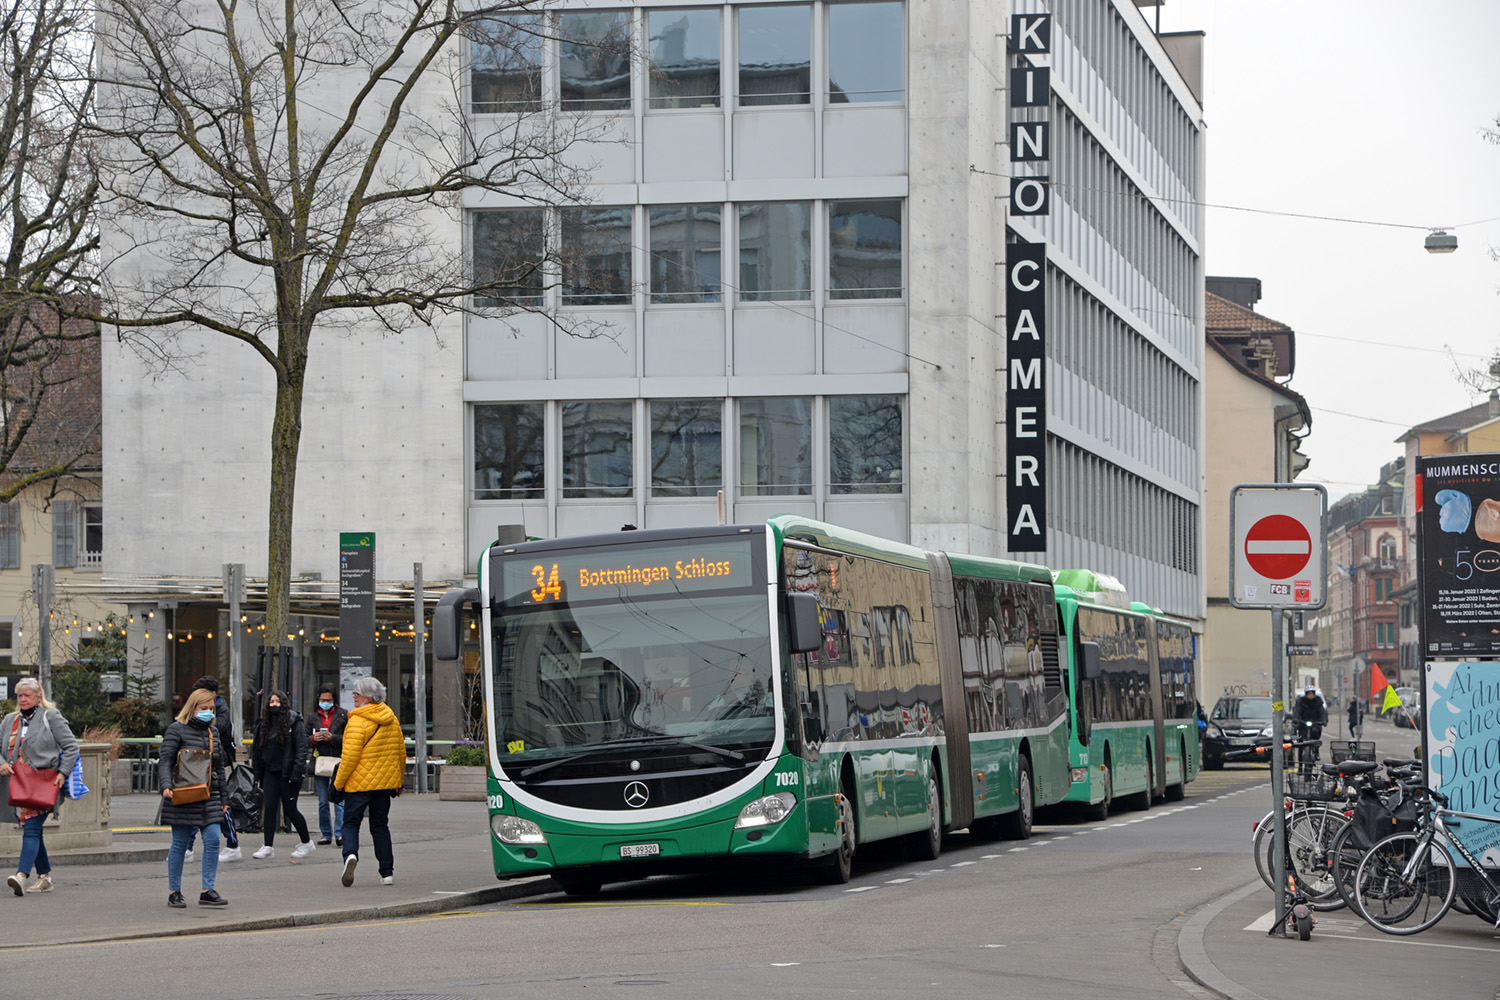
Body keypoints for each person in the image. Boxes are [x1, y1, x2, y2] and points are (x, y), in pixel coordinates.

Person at [0, 677, 79, 896]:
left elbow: (71, 747)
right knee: (32, 831)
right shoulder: (9, 720)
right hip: (18, 786)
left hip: (45, 784)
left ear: (38, 697)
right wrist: (2, 763)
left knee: (32, 828)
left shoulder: (50, 716)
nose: (23, 699)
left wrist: (63, 773)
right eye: (20, 696)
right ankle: (45, 877)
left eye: (27, 695)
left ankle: (21, 875)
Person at [158, 688, 230, 907]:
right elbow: (166, 760)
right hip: (183, 793)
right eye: (203, 708)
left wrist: (225, 799)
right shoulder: (176, 730)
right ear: (193, 708)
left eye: (211, 709)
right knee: (179, 842)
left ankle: (208, 889)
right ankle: (174, 891)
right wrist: (166, 785)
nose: (208, 712)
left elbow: (218, 767)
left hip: (209, 794)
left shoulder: (213, 732)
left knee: (213, 839)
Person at [333, 675, 405, 887]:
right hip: (384, 785)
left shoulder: (357, 721)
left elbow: (349, 758)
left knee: (350, 823)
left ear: (368, 697)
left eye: (357, 693)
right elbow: (400, 752)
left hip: (359, 784)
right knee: (380, 826)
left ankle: (350, 855)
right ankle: (387, 872)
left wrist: (339, 783)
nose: (353, 696)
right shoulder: (391, 718)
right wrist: (398, 781)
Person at [249, 690, 315, 860]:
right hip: (270, 772)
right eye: (271, 702)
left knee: (291, 810)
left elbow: (301, 748)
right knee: (270, 808)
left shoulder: (295, 722)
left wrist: (297, 771)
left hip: (289, 773)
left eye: (278, 701)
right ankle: (268, 846)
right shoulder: (263, 724)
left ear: (284, 703)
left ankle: (307, 843)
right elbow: (257, 750)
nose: (274, 705)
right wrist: (257, 773)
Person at [184, 676, 241, 862]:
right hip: (198, 766)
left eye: (209, 708)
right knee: (196, 803)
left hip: (215, 765)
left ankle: (232, 844)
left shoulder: (220, 713)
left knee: (220, 806)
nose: (208, 711)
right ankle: (188, 846)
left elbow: (220, 728)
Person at [309, 684, 348, 846]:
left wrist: (332, 737)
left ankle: (340, 833)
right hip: (320, 761)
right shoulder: (312, 717)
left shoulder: (343, 715)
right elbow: (303, 738)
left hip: (338, 761)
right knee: (323, 801)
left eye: (328, 700)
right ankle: (326, 833)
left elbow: (348, 738)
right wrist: (313, 739)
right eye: (323, 700)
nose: (325, 702)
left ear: (334, 700)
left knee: (339, 800)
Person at [1292, 686, 1327, 764]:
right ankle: (1300, 767)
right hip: (1303, 723)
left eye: (1312, 694)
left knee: (1315, 732)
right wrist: (1296, 719)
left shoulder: (1318, 701)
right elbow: (1297, 711)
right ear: (1306, 694)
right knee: (1301, 743)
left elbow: (1322, 712)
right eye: (1309, 694)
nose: (1310, 695)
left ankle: (1316, 751)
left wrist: (1324, 720)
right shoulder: (1301, 701)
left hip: (1315, 723)